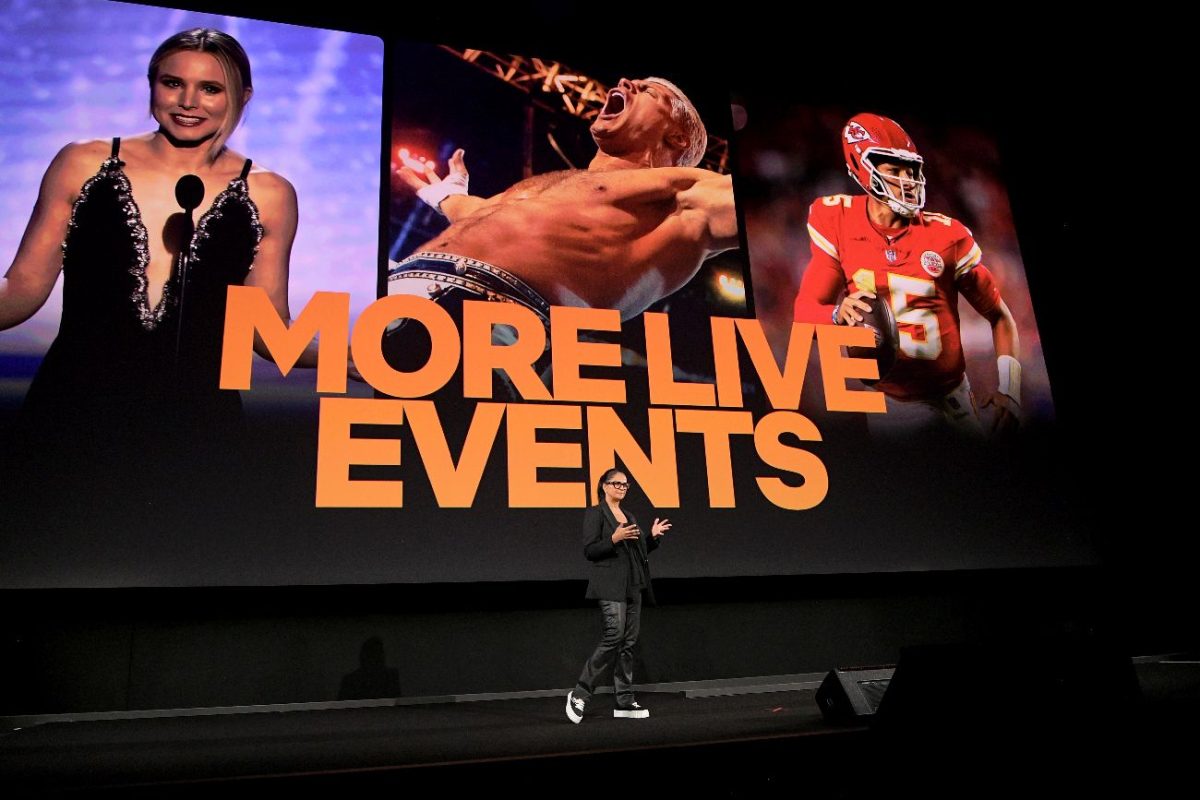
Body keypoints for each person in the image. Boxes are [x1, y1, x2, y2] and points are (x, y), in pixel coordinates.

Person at [0, 28, 308, 504]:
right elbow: (21, 289)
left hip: (198, 422)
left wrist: (354, 359)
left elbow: (268, 331)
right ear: (151, 84)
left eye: (211, 88)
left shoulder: (269, 194)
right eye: (172, 83)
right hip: (76, 408)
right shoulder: (83, 163)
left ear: (242, 97)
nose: (189, 101)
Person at [387, 77, 737, 393]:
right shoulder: (554, 186)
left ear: (677, 136)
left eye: (648, 91)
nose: (626, 82)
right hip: (394, 285)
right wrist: (446, 196)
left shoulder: (683, 195)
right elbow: (484, 216)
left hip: (481, 324)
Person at [792, 113, 1021, 437]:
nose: (907, 179)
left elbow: (1000, 317)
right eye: (894, 168)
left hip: (952, 397)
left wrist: (1010, 391)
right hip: (889, 404)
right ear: (861, 166)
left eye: (911, 169)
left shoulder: (947, 235)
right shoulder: (837, 220)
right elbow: (805, 314)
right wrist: (835, 314)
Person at [566, 468, 671, 723]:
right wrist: (613, 538)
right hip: (610, 585)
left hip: (634, 585)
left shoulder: (628, 514)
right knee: (614, 636)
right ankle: (579, 693)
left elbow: (636, 549)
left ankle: (624, 699)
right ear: (604, 486)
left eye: (625, 485)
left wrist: (652, 539)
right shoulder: (595, 513)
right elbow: (590, 550)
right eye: (617, 483)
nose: (622, 488)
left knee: (628, 643)